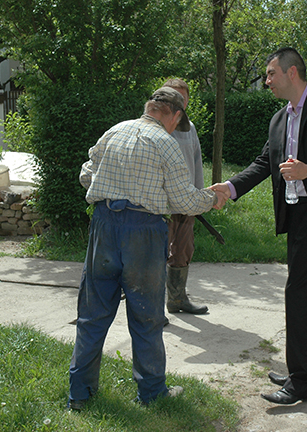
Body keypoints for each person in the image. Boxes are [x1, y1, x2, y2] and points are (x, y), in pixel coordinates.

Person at [210, 47, 307, 405]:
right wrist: (230, 188)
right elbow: (265, 162)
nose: (266, 81)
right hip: (294, 213)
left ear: (292, 72)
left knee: (299, 294)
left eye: (270, 74)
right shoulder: (279, 119)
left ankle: (299, 382)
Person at [68, 87, 224, 411]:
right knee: (146, 317)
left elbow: (86, 173)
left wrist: (113, 185)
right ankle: (151, 394)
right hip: (142, 231)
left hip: (103, 225)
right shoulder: (166, 144)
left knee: (92, 314)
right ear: (175, 116)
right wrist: (213, 198)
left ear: (148, 107)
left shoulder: (115, 131)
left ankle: (80, 395)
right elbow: (183, 200)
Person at [162, 78, 208, 315]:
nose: (180, 101)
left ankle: (177, 299)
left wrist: (199, 197)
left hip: (186, 202)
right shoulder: (157, 126)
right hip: (161, 204)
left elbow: (197, 162)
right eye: (175, 96)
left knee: (183, 250)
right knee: (157, 253)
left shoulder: (190, 129)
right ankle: (152, 310)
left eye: (183, 97)